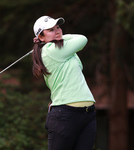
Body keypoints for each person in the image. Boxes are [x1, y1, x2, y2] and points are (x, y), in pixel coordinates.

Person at [32, 16, 96, 150]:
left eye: (58, 27)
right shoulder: (50, 50)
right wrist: (62, 37)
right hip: (65, 115)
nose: (57, 31)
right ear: (41, 37)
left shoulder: (63, 50)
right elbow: (82, 39)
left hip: (88, 114)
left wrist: (58, 37)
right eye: (50, 29)